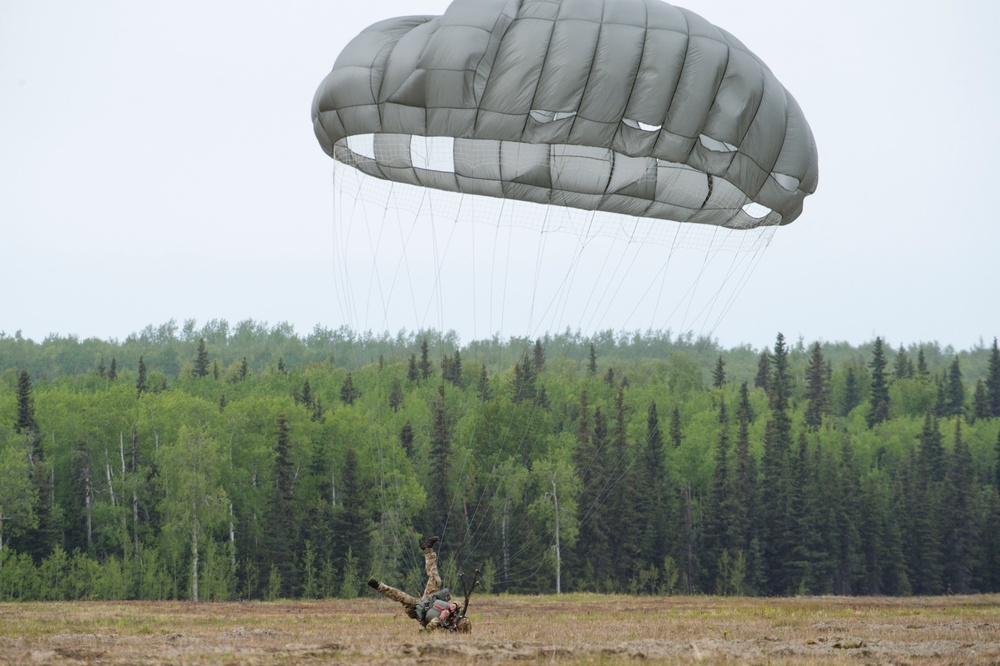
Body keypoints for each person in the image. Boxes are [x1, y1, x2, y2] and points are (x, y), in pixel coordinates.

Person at [368, 535, 472, 632]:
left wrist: (441, 618)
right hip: (431, 599)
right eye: (457, 619)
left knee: (403, 597)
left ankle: (378, 586)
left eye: (456, 622)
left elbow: (429, 628)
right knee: (436, 580)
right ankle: (428, 551)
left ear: (458, 628)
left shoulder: (447, 631)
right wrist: (455, 604)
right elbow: (461, 605)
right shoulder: (458, 615)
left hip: (420, 609)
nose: (455, 620)